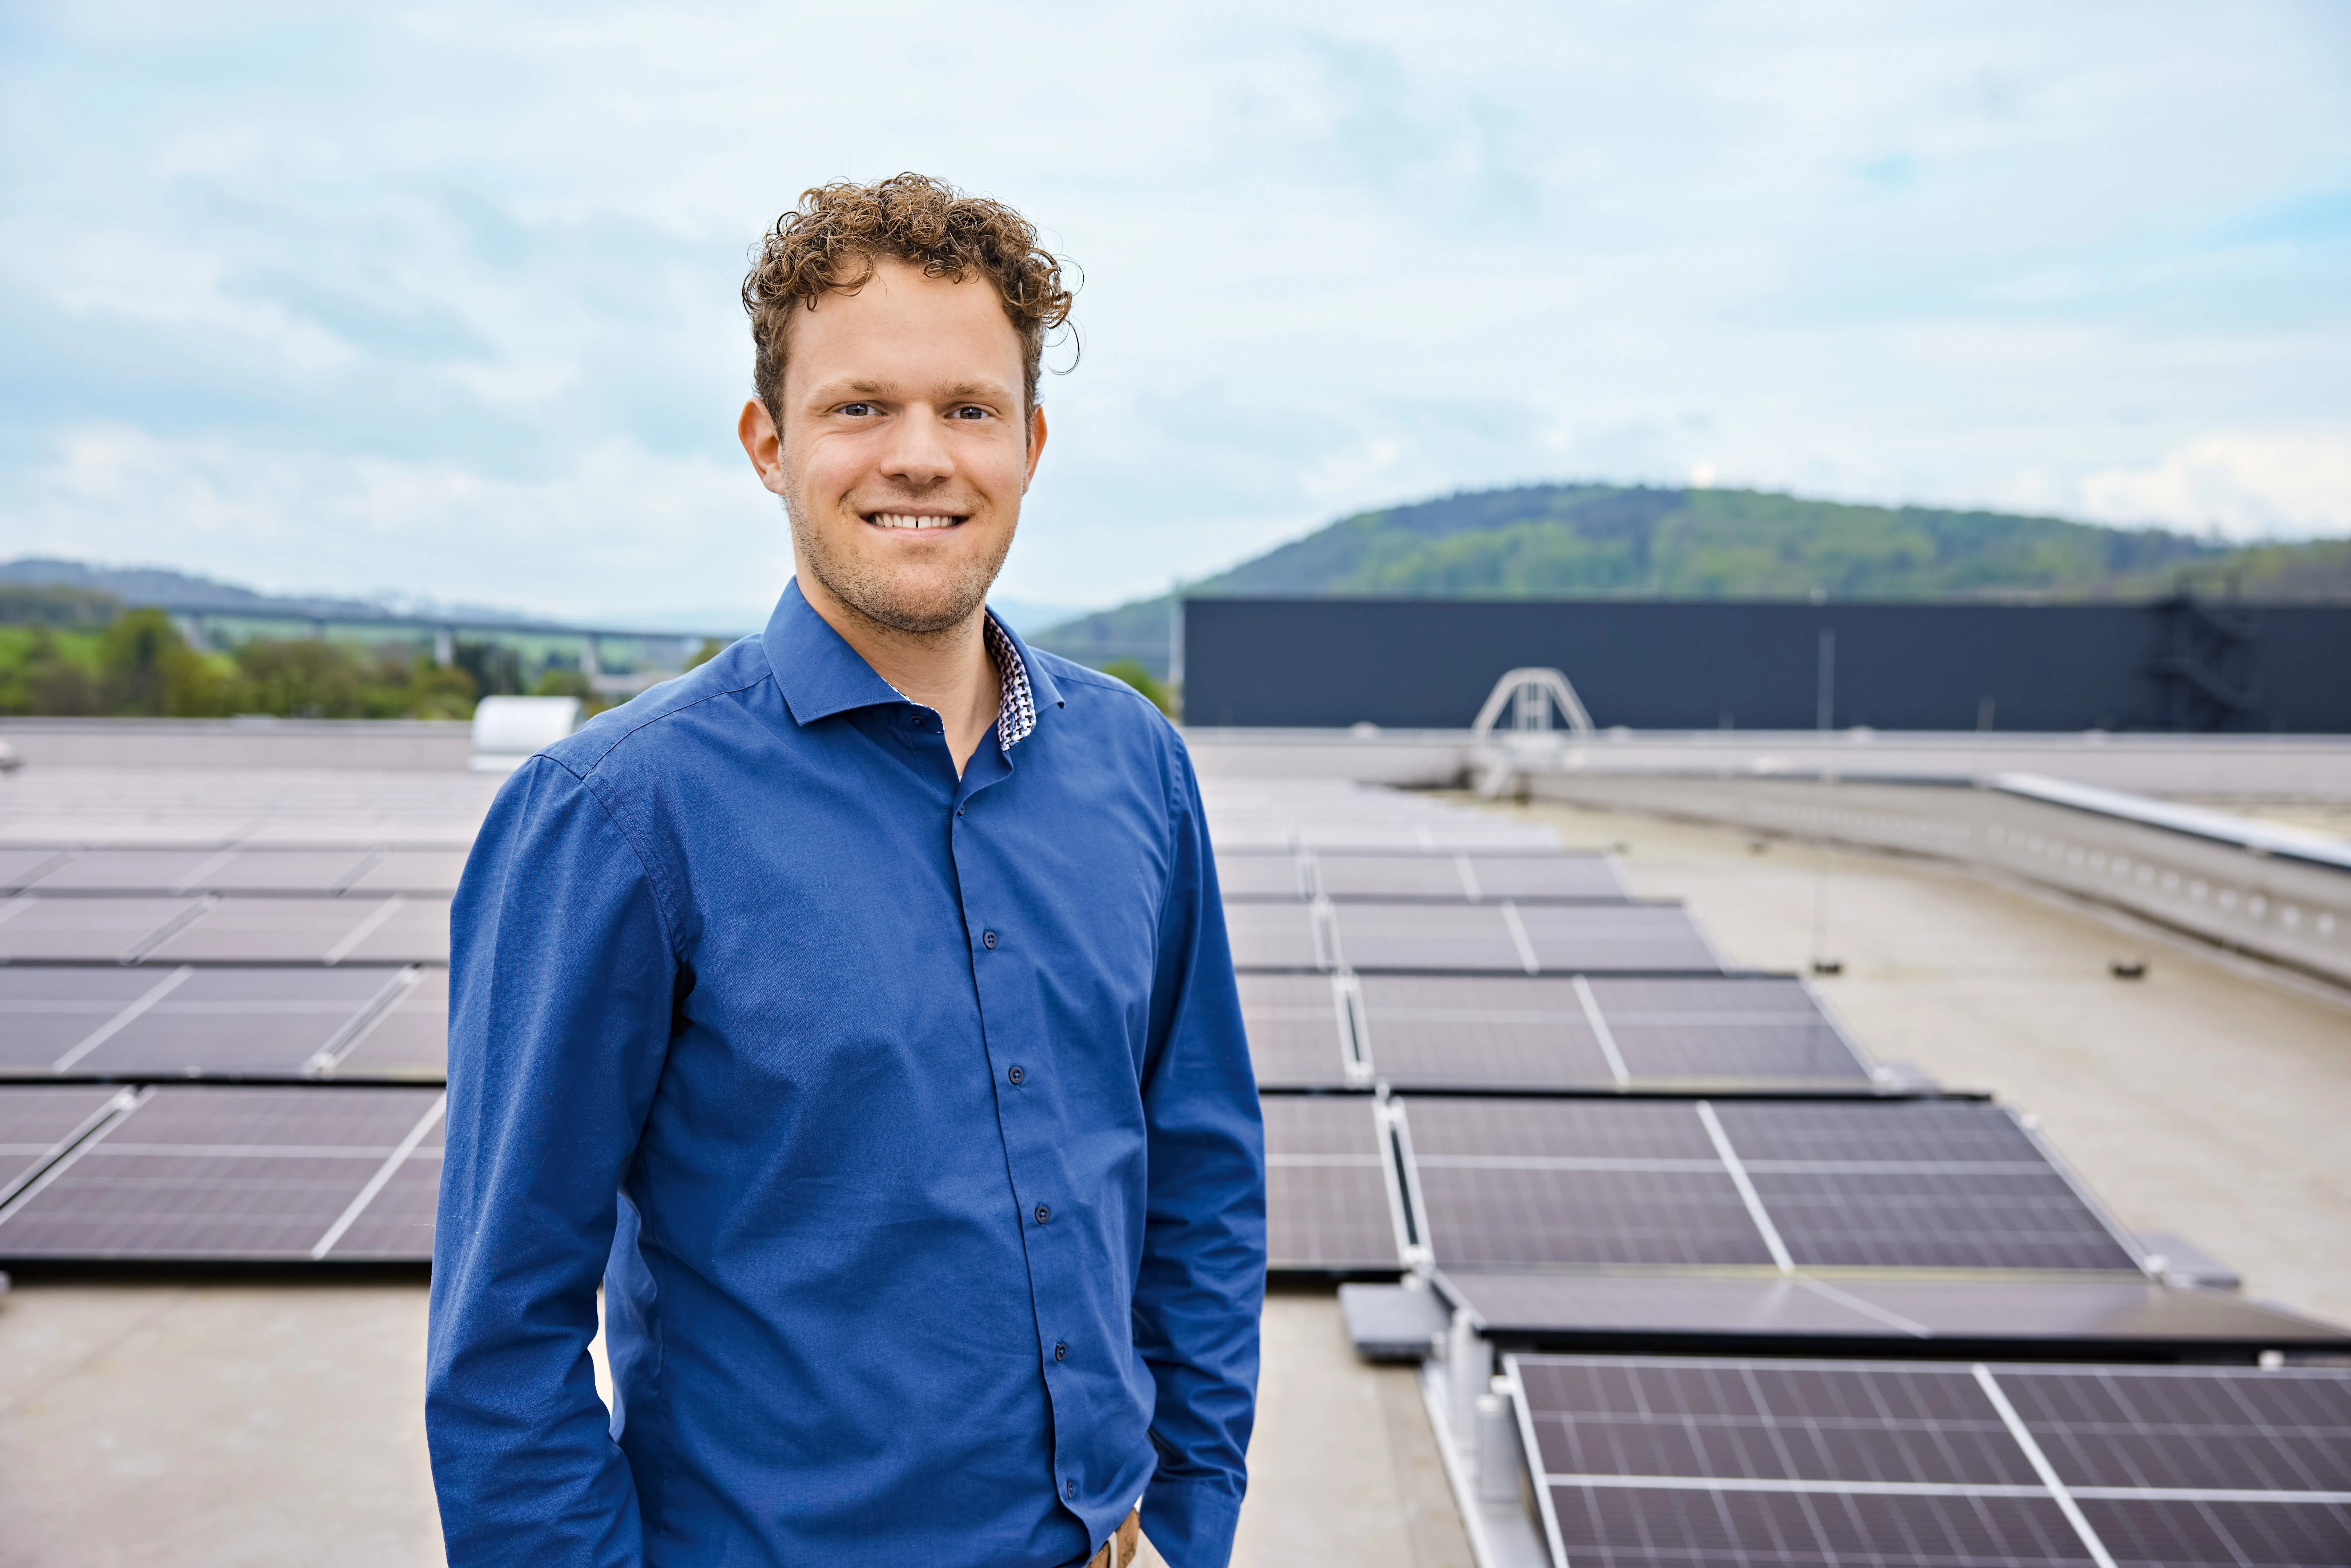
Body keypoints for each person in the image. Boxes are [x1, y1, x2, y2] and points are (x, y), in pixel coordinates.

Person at [426, 173, 1264, 1568]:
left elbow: (1200, 1178)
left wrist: (1190, 1513)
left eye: (969, 409)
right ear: (769, 443)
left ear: (1031, 444)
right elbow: (502, 1342)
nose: (921, 457)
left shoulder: (1136, 765)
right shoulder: (614, 814)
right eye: (860, 407)